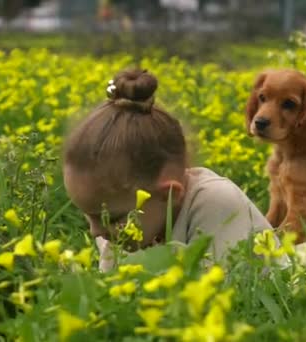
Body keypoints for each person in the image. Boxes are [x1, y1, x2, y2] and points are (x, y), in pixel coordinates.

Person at [62, 69, 272, 272]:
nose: (95, 231)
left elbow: (222, 295)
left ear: (169, 194)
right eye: (89, 216)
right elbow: (109, 292)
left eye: (112, 218)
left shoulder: (217, 202)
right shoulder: (118, 226)